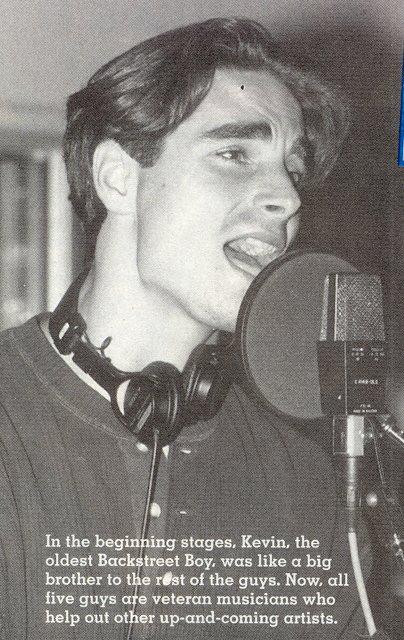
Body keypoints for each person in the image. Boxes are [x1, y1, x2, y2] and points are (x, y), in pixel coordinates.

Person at [0, 16, 385, 640]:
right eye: (235, 155)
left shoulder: (309, 488)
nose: (287, 198)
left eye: (292, 169)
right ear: (118, 178)